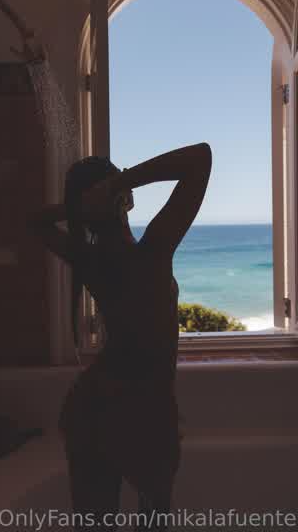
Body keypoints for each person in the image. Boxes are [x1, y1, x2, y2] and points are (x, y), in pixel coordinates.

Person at [20, 32, 212, 532]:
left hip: (94, 411)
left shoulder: (89, 257)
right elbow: (200, 157)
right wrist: (121, 181)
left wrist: (79, 207)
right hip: (143, 417)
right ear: (125, 200)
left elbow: (34, 222)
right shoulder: (151, 253)